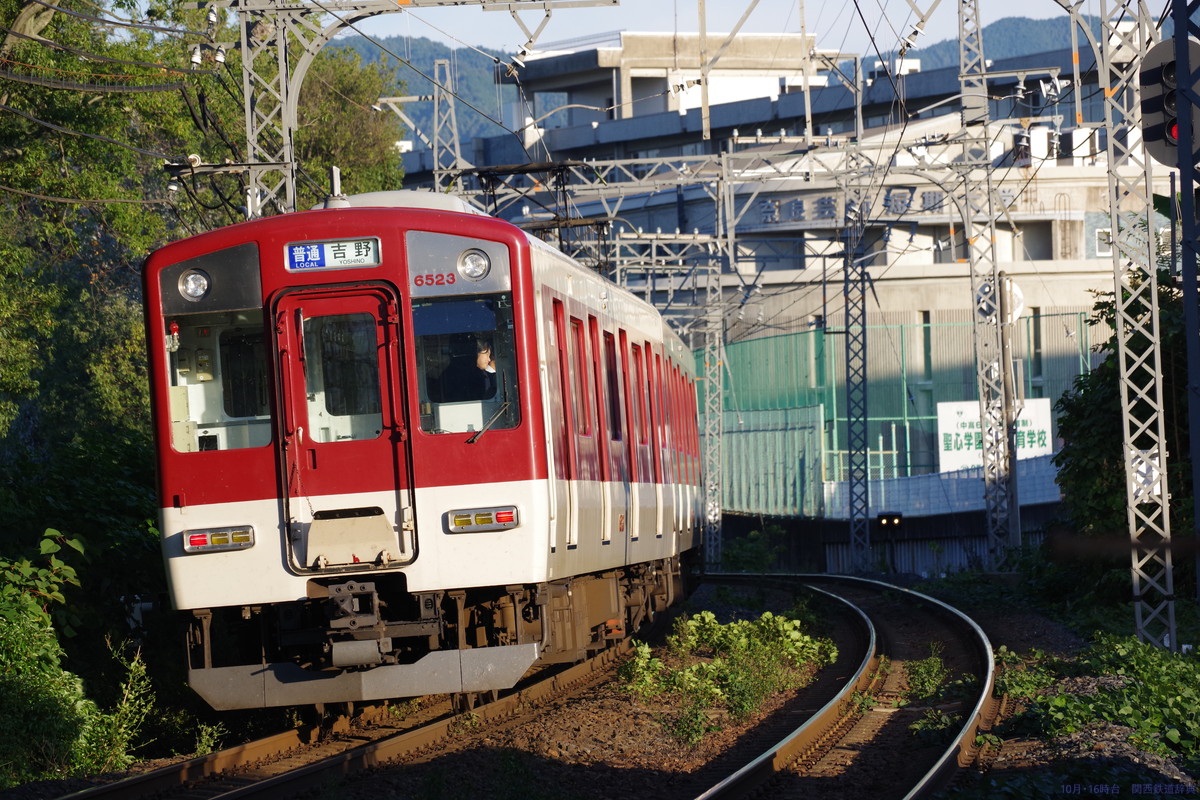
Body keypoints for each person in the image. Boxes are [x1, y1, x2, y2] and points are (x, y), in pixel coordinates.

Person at [434, 335, 497, 402]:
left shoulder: (488, 376)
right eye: (487, 355)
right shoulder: (455, 376)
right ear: (476, 353)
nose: (489, 359)